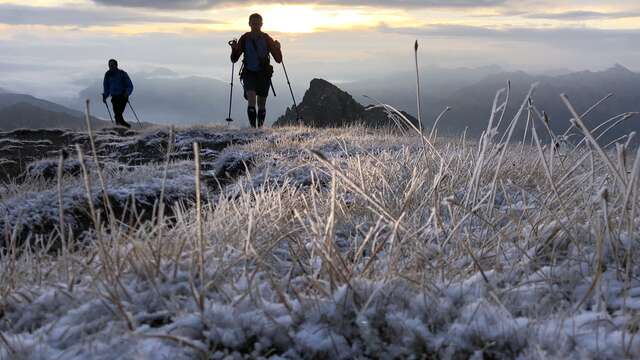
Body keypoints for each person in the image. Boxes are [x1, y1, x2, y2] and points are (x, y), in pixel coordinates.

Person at [230, 13, 283, 128]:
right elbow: (234, 58)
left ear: (261, 24)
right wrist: (234, 49)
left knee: (262, 103)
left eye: (257, 23)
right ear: (249, 24)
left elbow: (278, 59)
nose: (255, 25)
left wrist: (278, 49)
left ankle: (259, 127)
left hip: (263, 74)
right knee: (252, 99)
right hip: (249, 74)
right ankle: (254, 128)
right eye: (254, 23)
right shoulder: (245, 38)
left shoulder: (266, 39)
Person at [102, 59, 134, 128]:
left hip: (123, 96)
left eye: (112, 65)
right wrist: (105, 96)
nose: (110, 67)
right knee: (117, 115)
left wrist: (127, 93)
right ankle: (124, 128)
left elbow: (130, 86)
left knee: (117, 114)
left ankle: (123, 128)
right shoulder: (107, 75)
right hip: (114, 98)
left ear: (116, 65)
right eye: (109, 65)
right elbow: (106, 87)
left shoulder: (122, 73)